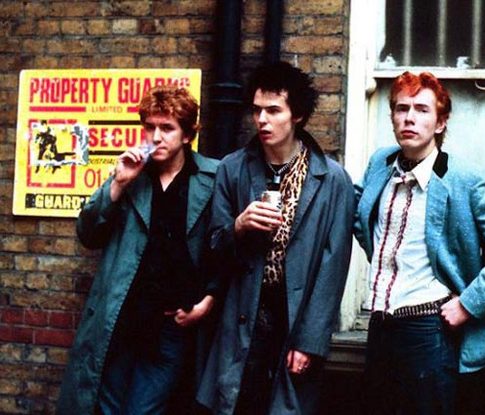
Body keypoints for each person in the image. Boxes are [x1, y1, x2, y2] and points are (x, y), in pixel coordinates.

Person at [353, 71, 485, 415]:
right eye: (401, 108)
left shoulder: (463, 179)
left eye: (422, 110)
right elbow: (360, 215)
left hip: (428, 330)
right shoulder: (381, 164)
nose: (409, 118)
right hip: (380, 328)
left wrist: (469, 303)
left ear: (440, 122)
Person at [196, 61, 355, 415]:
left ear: (296, 115)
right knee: (237, 404)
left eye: (273, 110)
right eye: (257, 111)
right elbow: (212, 248)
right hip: (242, 316)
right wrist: (238, 226)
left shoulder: (332, 179)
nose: (262, 120)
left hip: (294, 320)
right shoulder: (233, 168)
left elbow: (333, 268)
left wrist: (311, 341)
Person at [56, 85, 219, 414]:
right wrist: (118, 184)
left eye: (167, 128)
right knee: (108, 407)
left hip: (172, 323)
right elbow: (88, 234)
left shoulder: (212, 177)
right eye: (149, 127)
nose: (156, 137)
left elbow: (224, 248)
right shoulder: (131, 173)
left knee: (143, 409)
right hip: (123, 318)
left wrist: (208, 300)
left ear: (187, 135)